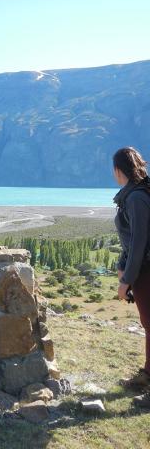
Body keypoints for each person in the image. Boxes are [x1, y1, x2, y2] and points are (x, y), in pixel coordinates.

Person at [113, 146, 150, 406]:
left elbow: (139, 242)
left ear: (118, 170)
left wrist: (126, 280)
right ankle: (147, 375)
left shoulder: (136, 198)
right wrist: (121, 264)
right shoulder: (139, 194)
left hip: (146, 271)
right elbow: (132, 242)